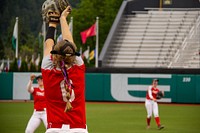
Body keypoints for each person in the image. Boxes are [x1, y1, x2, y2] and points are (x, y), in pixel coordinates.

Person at [41, 6, 88, 133]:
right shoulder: (78, 67)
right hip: (78, 128)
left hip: (54, 128)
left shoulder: (48, 70)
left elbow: (48, 44)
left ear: (55, 55)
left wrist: (52, 23)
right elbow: (69, 43)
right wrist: (63, 19)